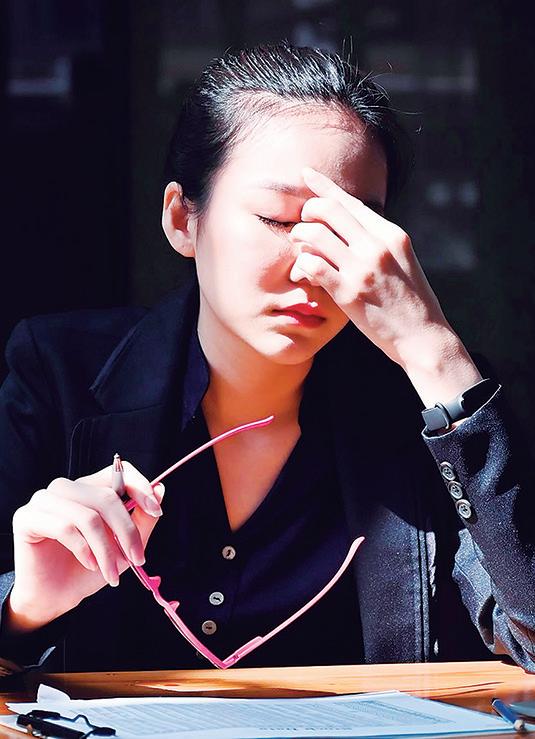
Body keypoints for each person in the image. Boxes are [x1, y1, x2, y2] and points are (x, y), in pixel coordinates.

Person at [0, 43, 534, 677]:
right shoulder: (58, 375)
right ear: (182, 219)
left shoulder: (428, 408)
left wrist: (433, 348)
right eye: (278, 220)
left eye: (349, 230)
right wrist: (24, 608)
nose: (313, 267)